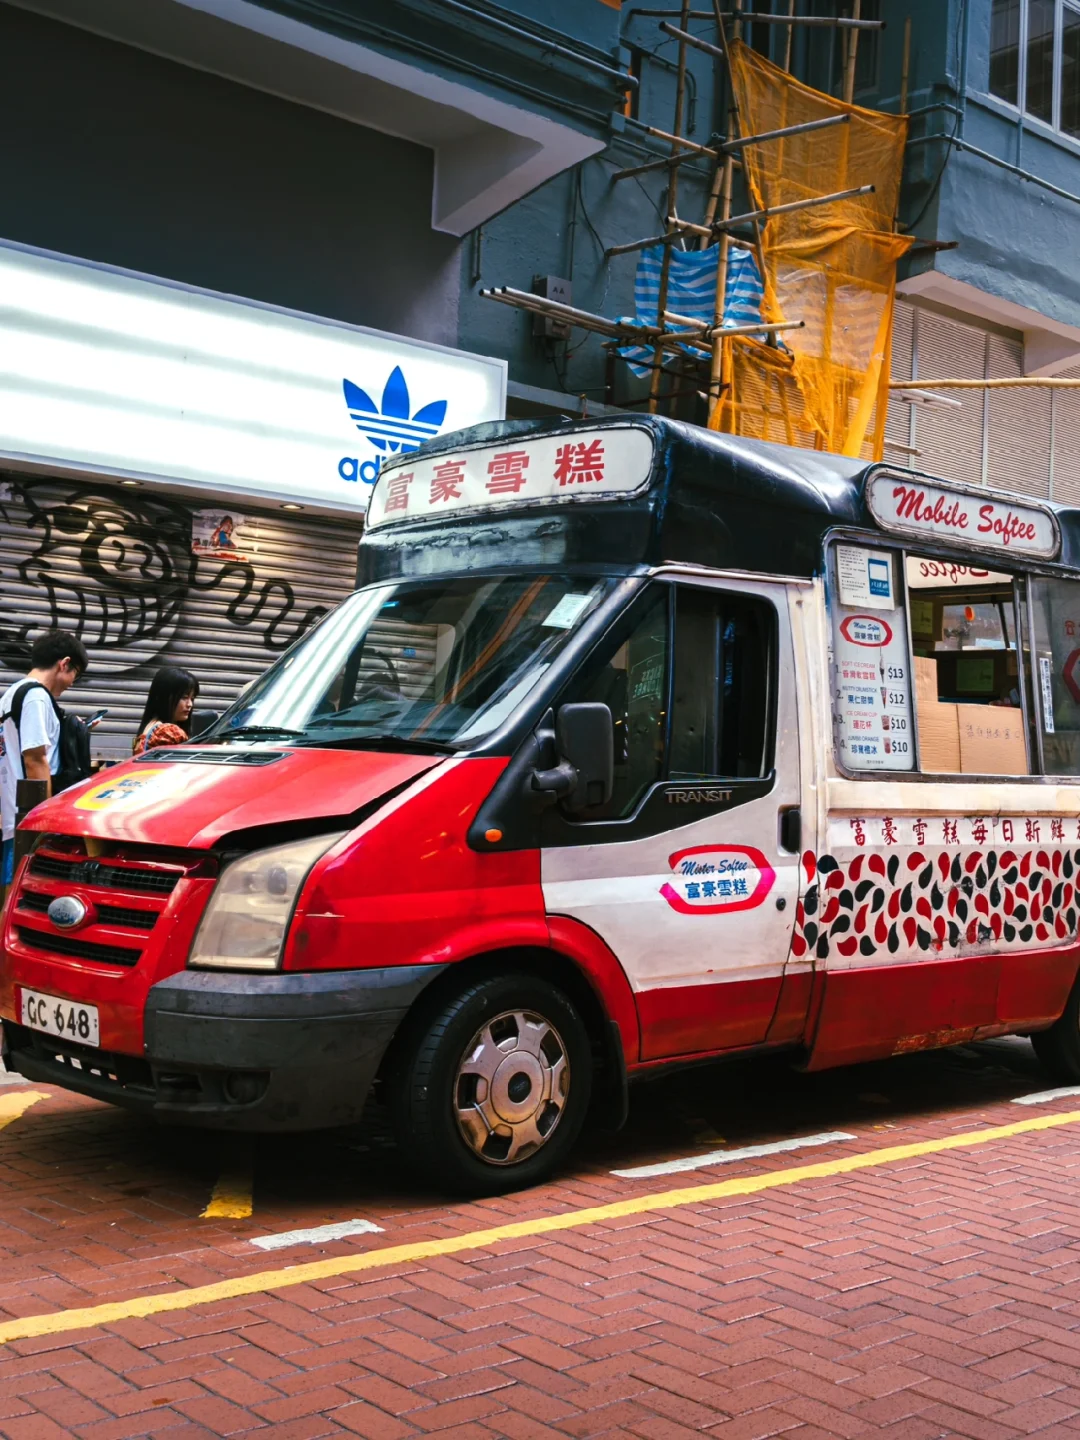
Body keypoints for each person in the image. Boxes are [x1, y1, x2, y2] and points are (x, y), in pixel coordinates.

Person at [0, 630, 89, 902]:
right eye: (75, 673)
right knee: (17, 896)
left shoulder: (11, 693)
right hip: (25, 818)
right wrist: (45, 820)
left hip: (9, 811)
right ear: (64, 664)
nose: (72, 683)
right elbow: (35, 759)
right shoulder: (37, 698)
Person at [133, 667, 199, 755]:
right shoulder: (167, 732)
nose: (190, 704)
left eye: (192, 698)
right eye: (184, 697)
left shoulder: (150, 727)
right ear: (164, 697)